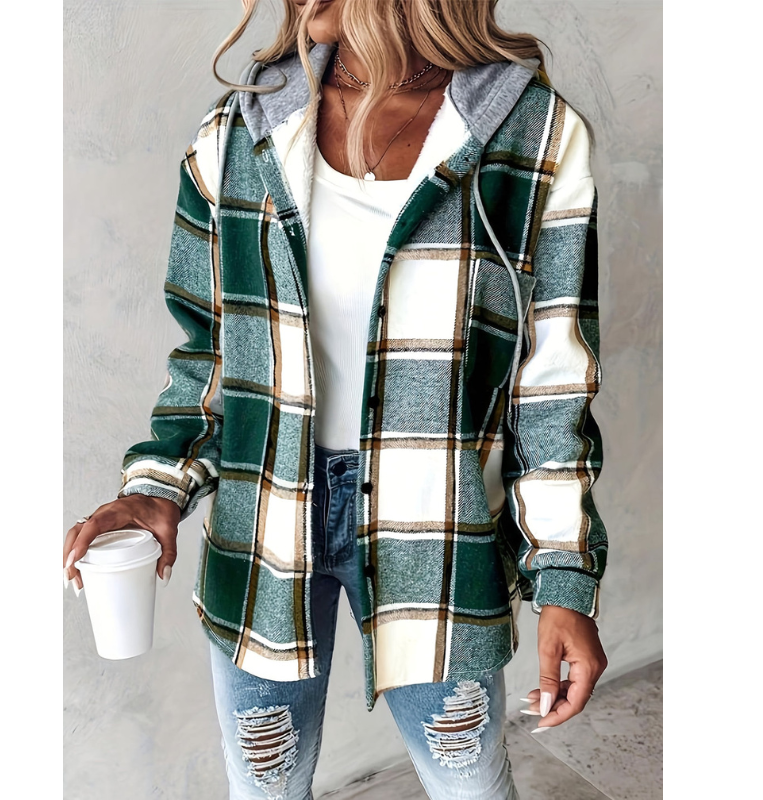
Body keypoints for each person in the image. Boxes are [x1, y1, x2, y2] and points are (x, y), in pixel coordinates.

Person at [63, 1, 609, 797]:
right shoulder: (239, 132)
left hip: (438, 532)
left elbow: (551, 384)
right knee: (266, 787)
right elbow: (210, 355)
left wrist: (563, 579)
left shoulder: (534, 136)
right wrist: (156, 488)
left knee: (470, 784)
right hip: (265, 523)